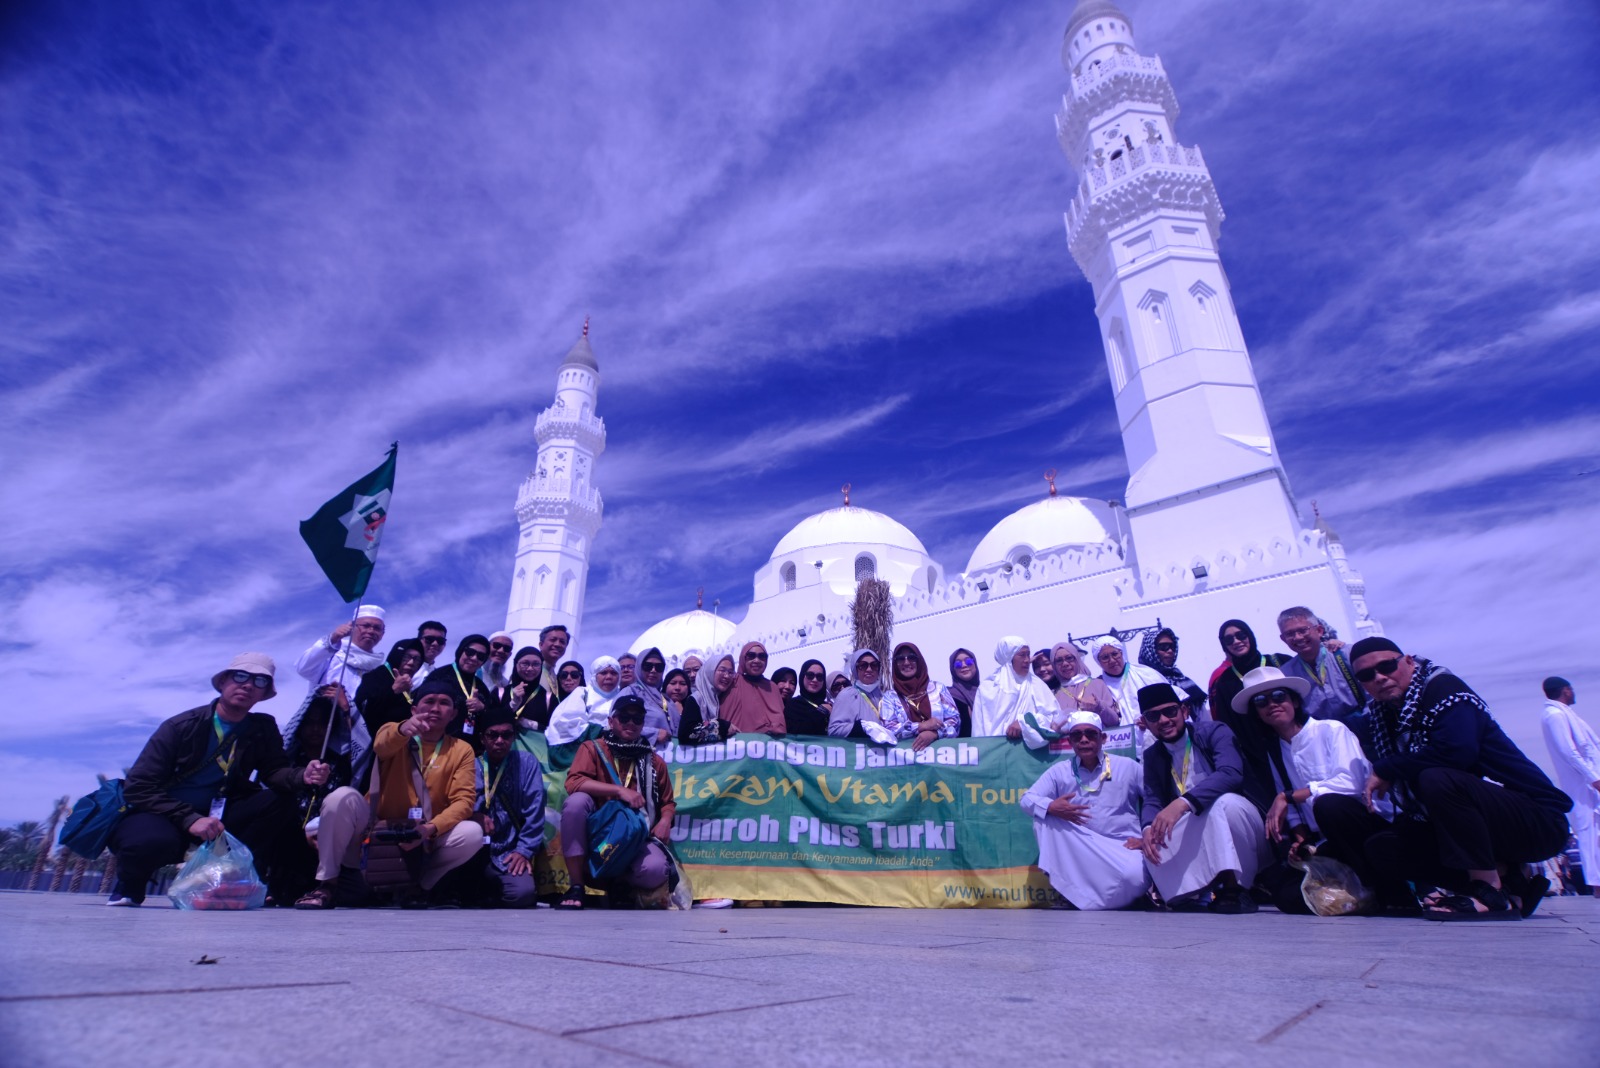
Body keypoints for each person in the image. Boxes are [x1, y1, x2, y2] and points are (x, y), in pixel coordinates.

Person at [1318, 638, 1572, 920]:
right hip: (1477, 828)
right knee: (1382, 848)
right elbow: (1328, 725)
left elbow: (1456, 752)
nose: (1379, 677)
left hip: (1537, 821)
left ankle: (1488, 891)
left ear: (1408, 661)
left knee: (1436, 777)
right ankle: (1510, 881)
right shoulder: (1384, 715)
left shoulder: (1443, 688)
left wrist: (1387, 768)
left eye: (1386, 666)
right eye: (1367, 675)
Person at [108, 654, 330, 907]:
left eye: (259, 681)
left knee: (280, 801)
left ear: (264, 693)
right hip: (166, 813)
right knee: (147, 842)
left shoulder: (262, 728)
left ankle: (233, 876)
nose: (248, 685)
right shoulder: (181, 726)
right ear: (223, 682)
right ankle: (130, 885)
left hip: (221, 816)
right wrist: (190, 819)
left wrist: (302, 775)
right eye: (241, 676)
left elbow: (275, 771)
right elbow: (138, 786)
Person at [293, 674, 482, 909]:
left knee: (472, 833)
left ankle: (419, 887)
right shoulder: (394, 731)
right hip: (375, 830)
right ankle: (327, 884)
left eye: (444, 703)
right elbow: (381, 745)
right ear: (414, 710)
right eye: (429, 701)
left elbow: (463, 801)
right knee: (341, 797)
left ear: (453, 714)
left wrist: (429, 829)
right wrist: (403, 729)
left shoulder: (462, 749)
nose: (435, 708)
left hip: (423, 837)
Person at [1234, 666, 1377, 913]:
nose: (1271, 704)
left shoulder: (1331, 730)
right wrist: (1301, 838)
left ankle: (1376, 885)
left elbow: (1351, 783)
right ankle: (1357, 896)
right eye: (1261, 701)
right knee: (1285, 895)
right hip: (1323, 839)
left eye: (1278, 696)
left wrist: (1290, 796)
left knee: (1328, 804)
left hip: (1359, 827)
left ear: (1295, 701)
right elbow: (1289, 808)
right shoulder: (1275, 751)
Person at [1138, 683, 1266, 914]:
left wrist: (1181, 803)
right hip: (1197, 822)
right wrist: (1147, 828)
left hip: (1243, 823)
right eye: (1153, 716)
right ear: (1145, 722)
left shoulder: (1214, 732)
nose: (1164, 720)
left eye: (1170, 711)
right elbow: (1152, 799)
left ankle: (1236, 888)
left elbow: (1230, 773)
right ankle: (1190, 894)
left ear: (1184, 711)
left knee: (1223, 805)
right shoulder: (1153, 755)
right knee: (1153, 837)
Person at [557, 695, 678, 908]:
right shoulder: (593, 748)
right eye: (624, 717)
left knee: (656, 870)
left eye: (637, 719)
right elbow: (574, 782)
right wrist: (619, 791)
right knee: (576, 803)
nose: (631, 723)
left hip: (635, 835)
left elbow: (668, 802)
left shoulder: (654, 761)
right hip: (599, 833)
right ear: (611, 721)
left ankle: (619, 884)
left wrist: (665, 821)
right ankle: (576, 885)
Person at [1019, 711, 1148, 910]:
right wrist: (1052, 807)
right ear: (1070, 741)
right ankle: (1070, 894)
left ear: (1103, 738)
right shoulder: (1060, 771)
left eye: (1090, 734)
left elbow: (1156, 799)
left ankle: (1116, 897)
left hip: (1122, 846)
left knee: (1136, 877)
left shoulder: (1128, 767)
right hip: (1081, 848)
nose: (1084, 740)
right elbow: (1026, 799)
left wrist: (1146, 836)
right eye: (1077, 735)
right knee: (1043, 815)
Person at [474, 706, 546, 908]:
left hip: (510, 850)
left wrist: (524, 850)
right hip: (475, 849)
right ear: (482, 738)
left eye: (506, 735)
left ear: (513, 737)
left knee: (522, 894)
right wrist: (474, 815)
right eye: (492, 735)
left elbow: (535, 811)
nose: (500, 740)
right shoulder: (471, 765)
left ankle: (492, 891)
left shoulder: (526, 763)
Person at [1540, 676, 1600, 899]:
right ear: (1565, 690)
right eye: (1571, 689)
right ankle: (1597, 885)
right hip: (1581, 783)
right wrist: (1593, 778)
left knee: (1596, 832)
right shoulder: (1554, 715)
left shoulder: (1567, 714)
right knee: (1587, 830)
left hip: (1589, 780)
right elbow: (1568, 751)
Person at [1275, 608, 1364, 728]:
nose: (1298, 637)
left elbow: (1373, 695)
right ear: (1283, 639)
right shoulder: (1286, 674)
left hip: (1368, 726)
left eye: (1303, 630)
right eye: (1290, 634)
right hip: (1325, 734)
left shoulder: (1346, 654)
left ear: (1319, 630)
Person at [295, 606, 388, 707]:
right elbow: (303, 668)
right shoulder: (332, 653)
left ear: (382, 634)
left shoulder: (377, 670)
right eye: (365, 626)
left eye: (377, 628)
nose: (371, 631)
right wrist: (333, 638)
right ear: (352, 627)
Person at [971, 638, 1056, 739]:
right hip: (993, 747)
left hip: (1029, 747)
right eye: (1022, 655)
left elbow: (1053, 717)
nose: (1027, 660)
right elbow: (978, 728)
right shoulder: (987, 688)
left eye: (1028, 654)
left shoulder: (1037, 685)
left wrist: (1025, 722)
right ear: (1008, 656)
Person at [881, 642, 960, 750]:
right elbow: (888, 729)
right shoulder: (890, 697)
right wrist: (920, 726)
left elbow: (955, 721)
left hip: (940, 755)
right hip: (906, 757)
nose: (906, 662)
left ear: (919, 661)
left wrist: (935, 734)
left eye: (912, 657)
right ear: (895, 664)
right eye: (900, 659)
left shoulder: (938, 688)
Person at [1207, 619, 1285, 727]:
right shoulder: (1224, 681)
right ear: (1224, 646)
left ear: (1250, 636)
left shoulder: (1280, 661)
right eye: (1229, 639)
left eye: (1241, 635)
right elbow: (1225, 723)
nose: (1236, 641)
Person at [354, 639, 423, 738]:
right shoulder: (375, 676)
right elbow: (364, 710)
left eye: (417, 660)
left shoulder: (410, 685)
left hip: (393, 742)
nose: (411, 663)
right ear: (396, 655)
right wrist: (393, 691)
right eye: (406, 657)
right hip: (366, 741)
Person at [1091, 636, 1165, 727]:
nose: (1112, 660)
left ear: (1121, 653)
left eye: (1115, 654)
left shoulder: (1145, 674)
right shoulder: (1098, 686)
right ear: (1098, 661)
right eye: (1105, 657)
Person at [438, 635, 496, 747]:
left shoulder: (481, 687)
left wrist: (483, 708)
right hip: (438, 743)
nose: (474, 658)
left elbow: (491, 717)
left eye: (480, 656)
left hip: (470, 748)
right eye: (470, 652)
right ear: (460, 651)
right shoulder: (439, 676)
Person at [719, 642, 787, 736]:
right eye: (751, 656)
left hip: (768, 744)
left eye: (762, 656)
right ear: (743, 658)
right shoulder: (731, 682)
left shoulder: (772, 687)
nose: (757, 660)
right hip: (734, 744)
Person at [1138, 627, 1207, 712]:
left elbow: (1201, 715)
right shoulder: (1142, 681)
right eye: (1164, 647)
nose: (1170, 651)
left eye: (1172, 646)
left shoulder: (1184, 681)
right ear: (1150, 649)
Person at [1050, 643, 1118, 729]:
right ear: (1054, 665)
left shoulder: (1098, 684)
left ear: (1077, 659)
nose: (1065, 664)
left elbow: (1114, 722)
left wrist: (1098, 706)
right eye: (1059, 661)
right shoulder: (1053, 694)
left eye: (1069, 658)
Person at [828, 650, 890, 741]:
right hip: (861, 749)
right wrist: (862, 727)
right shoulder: (847, 695)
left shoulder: (885, 696)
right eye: (863, 665)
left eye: (874, 665)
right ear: (855, 669)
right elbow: (834, 730)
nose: (869, 669)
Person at [622, 647, 674, 748]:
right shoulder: (630, 693)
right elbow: (616, 726)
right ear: (639, 667)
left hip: (668, 756)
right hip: (638, 753)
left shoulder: (665, 699)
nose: (653, 670)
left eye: (659, 667)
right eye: (648, 666)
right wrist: (654, 734)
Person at [502, 646, 555, 731]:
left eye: (536, 664)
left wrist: (534, 725)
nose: (530, 668)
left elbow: (555, 731)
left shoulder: (548, 698)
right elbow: (489, 722)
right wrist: (513, 704)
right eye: (525, 664)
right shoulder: (500, 693)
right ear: (516, 664)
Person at [688, 654, 736, 743]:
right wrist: (722, 727)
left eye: (730, 672)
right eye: (722, 670)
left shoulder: (721, 698)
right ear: (710, 672)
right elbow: (686, 733)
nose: (726, 676)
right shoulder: (696, 699)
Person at [785, 659, 832, 736]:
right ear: (802, 677)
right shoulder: (793, 705)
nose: (815, 680)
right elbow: (794, 730)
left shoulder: (829, 707)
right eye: (810, 675)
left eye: (820, 677)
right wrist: (820, 712)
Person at [660, 668, 703, 745]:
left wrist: (683, 713)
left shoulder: (695, 706)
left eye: (683, 684)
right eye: (673, 683)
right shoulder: (656, 704)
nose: (677, 688)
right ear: (665, 685)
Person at [946, 649, 981, 737]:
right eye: (958, 663)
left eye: (968, 661)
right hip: (958, 745)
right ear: (953, 669)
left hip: (986, 744)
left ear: (975, 664)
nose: (964, 665)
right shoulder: (947, 696)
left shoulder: (986, 693)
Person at [412, 620, 449, 688]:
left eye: (440, 641)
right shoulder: (402, 669)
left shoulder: (440, 677)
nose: (435, 644)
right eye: (429, 639)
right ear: (418, 641)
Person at [538, 625, 572, 693]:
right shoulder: (529, 670)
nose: (557, 644)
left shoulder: (555, 677)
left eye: (562, 642)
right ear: (541, 645)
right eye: (553, 640)